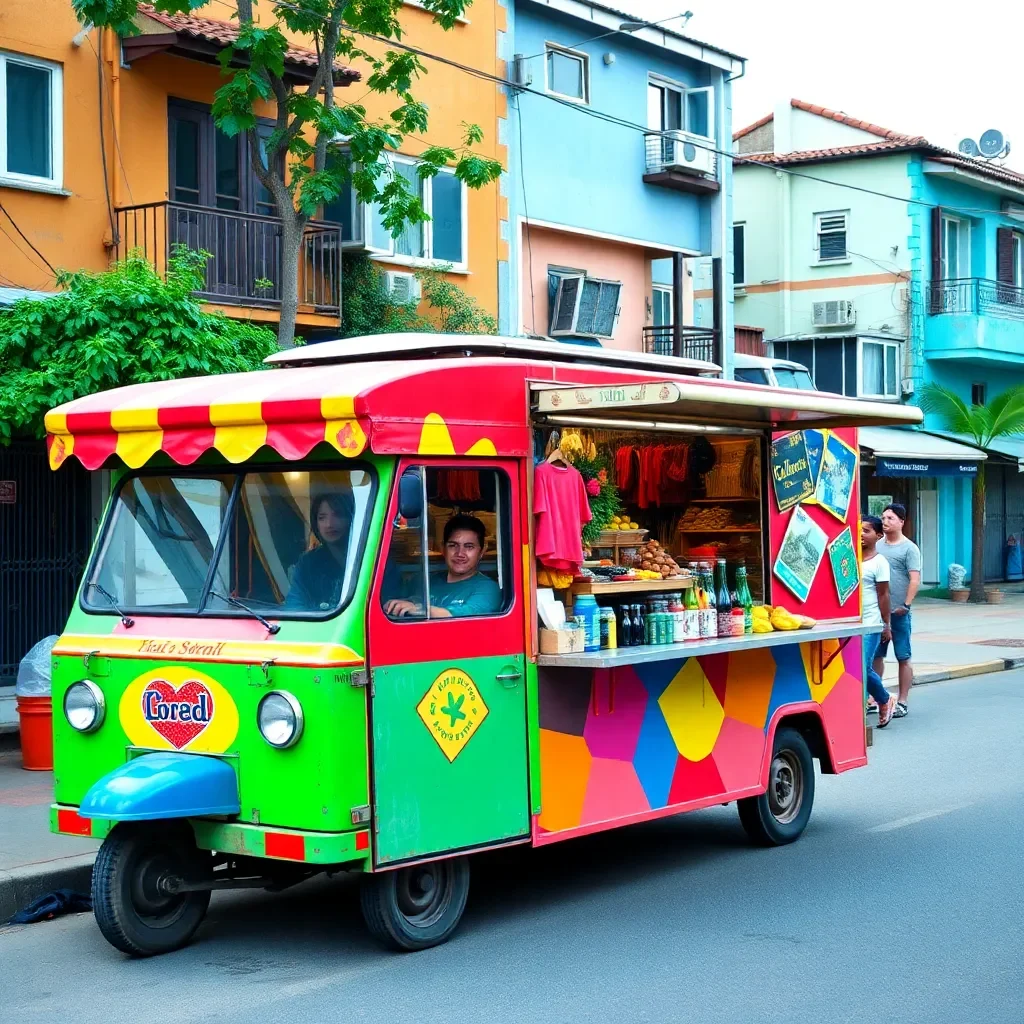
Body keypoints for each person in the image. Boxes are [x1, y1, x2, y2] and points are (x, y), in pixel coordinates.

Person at [385, 514, 501, 619]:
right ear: (443, 549)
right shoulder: (423, 581)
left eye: (469, 546)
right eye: (453, 545)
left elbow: (462, 617)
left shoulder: (489, 589)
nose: (460, 554)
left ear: (481, 552)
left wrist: (420, 609)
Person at [873, 502, 921, 720]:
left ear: (902, 522)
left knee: (903, 656)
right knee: (876, 656)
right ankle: (876, 698)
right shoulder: (877, 545)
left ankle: (902, 701)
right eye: (883, 518)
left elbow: (914, 579)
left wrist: (906, 605)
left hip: (899, 613)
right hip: (878, 612)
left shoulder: (909, 548)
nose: (885, 521)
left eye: (890, 518)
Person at [285, 491, 354, 611]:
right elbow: (294, 605)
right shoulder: (308, 562)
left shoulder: (373, 558)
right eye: (322, 518)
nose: (329, 524)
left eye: (337, 515)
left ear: (350, 517)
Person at [861, 516, 897, 727]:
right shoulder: (849, 557)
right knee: (852, 668)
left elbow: (884, 595)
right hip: (850, 623)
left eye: (866, 531)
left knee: (863, 668)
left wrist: (886, 625)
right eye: (859, 530)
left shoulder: (879, 562)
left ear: (879, 535)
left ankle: (884, 699)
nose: (861, 535)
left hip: (871, 623)